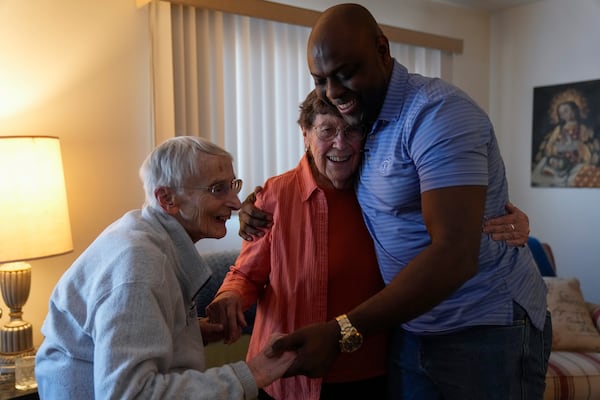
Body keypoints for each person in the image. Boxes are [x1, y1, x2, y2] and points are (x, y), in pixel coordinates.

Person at [249, 4, 551, 400]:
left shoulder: (438, 112)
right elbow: (321, 174)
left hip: (483, 326)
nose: (333, 91)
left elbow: (455, 254)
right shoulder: (363, 120)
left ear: (382, 49)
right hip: (410, 329)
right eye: (321, 79)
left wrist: (342, 331)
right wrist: (253, 203)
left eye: (344, 73)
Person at [35, 136, 295, 399]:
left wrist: (184, 332)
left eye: (233, 186)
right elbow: (130, 395)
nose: (237, 203)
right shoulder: (140, 269)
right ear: (167, 199)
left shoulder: (142, 231)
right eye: (218, 189)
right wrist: (251, 374)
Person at [206, 90, 388, 400]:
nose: (340, 144)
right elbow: (247, 274)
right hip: (285, 375)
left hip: (367, 371)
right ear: (305, 133)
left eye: (351, 130)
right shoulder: (275, 195)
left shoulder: (383, 191)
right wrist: (231, 295)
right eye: (327, 130)